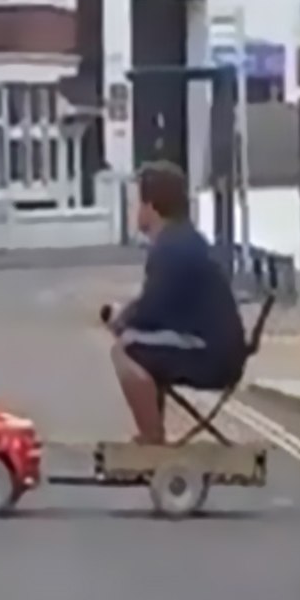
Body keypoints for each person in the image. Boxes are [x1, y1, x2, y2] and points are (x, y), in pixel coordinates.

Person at [107, 161, 246, 445]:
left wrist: (121, 321)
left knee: (125, 350)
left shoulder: (170, 247)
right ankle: (153, 434)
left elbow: (152, 311)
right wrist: (129, 317)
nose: (136, 211)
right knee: (139, 343)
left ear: (152, 206)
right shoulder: (183, 239)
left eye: (139, 203)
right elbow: (161, 305)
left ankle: (152, 439)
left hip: (211, 356)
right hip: (219, 350)